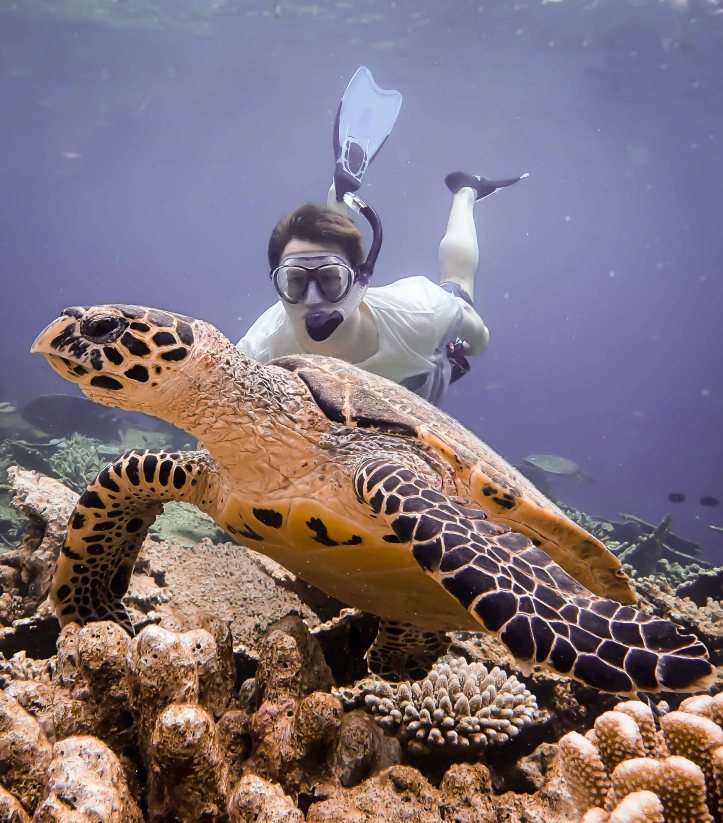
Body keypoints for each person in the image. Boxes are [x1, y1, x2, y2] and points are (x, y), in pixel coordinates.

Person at [236, 170, 526, 405]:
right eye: (295, 281)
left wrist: (477, 346)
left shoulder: (421, 315)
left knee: (459, 282)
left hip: (421, 370)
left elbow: (470, 320)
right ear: (276, 283)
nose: (313, 300)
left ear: (358, 280)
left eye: (330, 279)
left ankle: (466, 190)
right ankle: (337, 208)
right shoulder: (257, 353)